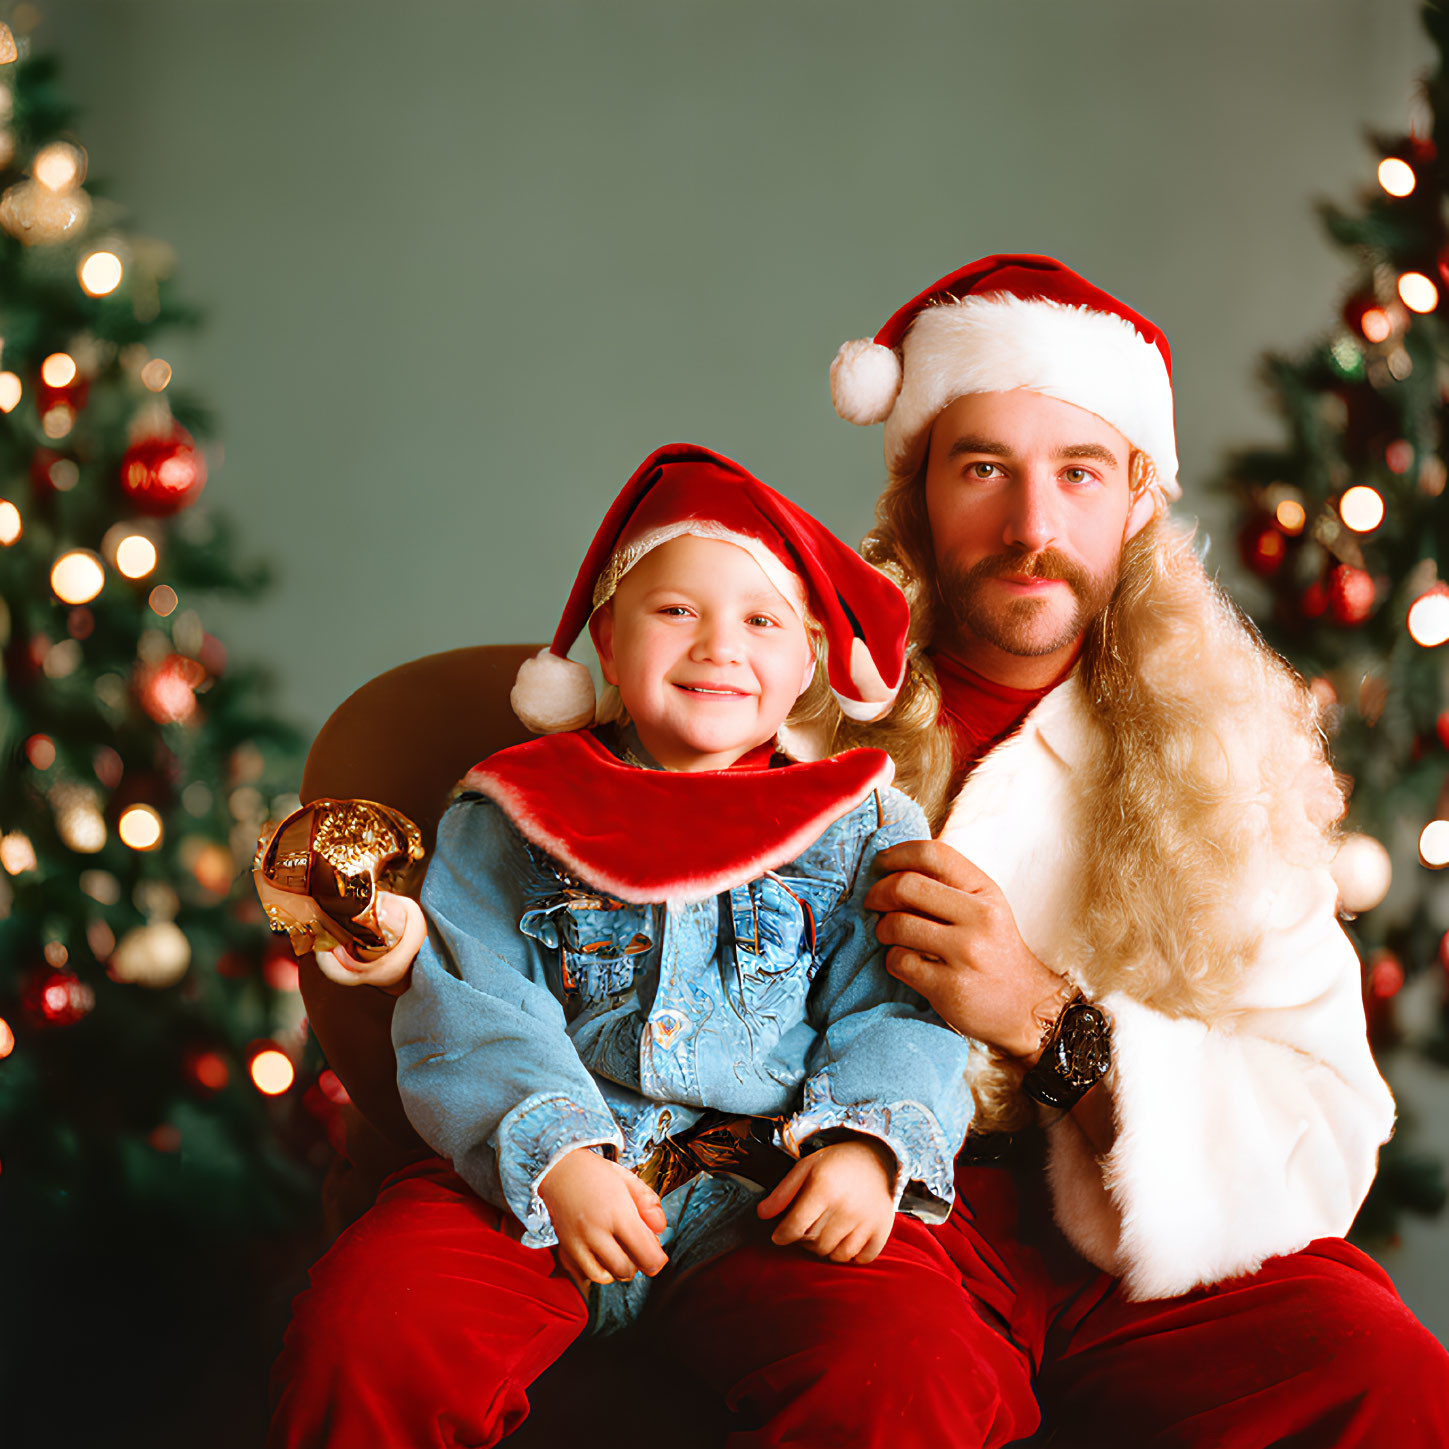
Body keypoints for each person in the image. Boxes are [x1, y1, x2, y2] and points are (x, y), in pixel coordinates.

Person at [643, 255, 1449, 1445]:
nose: (1032, 528)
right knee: (892, 1381)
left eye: (1077, 475)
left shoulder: (1231, 756)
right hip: (857, 1207)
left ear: (1135, 499)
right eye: (985, 471)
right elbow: (592, 886)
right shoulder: (779, 694)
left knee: (1381, 1369)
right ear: (916, 492)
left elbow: (1324, 1115)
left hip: (1123, 1229)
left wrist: (1046, 1021)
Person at [267, 442, 976, 1447]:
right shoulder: (513, 807)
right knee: (371, 1322)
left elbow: (902, 1003)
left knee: (910, 1359)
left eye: (763, 620)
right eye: (676, 609)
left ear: (809, 656)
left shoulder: (864, 825)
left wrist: (868, 1144)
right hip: (529, 1174)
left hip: (765, 1190)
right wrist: (557, 1158)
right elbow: (470, 995)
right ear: (607, 632)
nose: (719, 646)